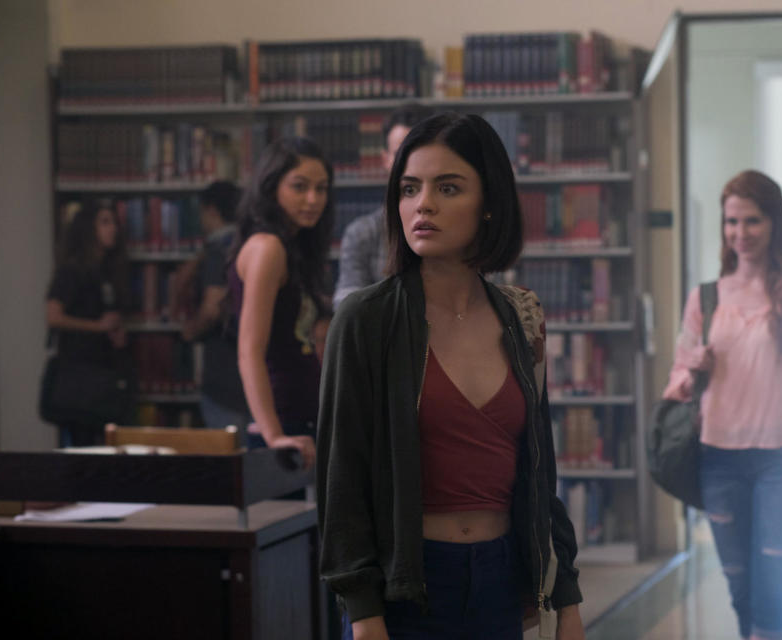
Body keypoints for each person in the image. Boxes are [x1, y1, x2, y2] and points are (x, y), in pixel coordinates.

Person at [316, 113, 585, 640]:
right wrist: (363, 613)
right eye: (410, 188)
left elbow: (539, 470)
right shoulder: (366, 319)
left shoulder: (523, 315)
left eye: (448, 187)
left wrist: (566, 597)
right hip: (408, 585)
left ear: (489, 204)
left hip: (500, 578)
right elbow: (340, 479)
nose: (424, 205)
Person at [662, 169, 782, 640]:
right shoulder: (704, 299)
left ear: (775, 224)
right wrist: (691, 369)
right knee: (740, 589)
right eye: (732, 222)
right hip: (717, 461)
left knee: (772, 594)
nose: (740, 233)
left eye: (752, 221)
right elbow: (676, 385)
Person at [228, 137, 335, 468]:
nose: (313, 199)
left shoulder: (294, 248)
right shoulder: (267, 247)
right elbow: (250, 350)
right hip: (282, 426)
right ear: (272, 186)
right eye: (300, 187)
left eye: (322, 188)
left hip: (303, 421)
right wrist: (275, 436)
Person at [332, 102, 434, 310]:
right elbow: (347, 307)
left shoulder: (456, 227)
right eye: (401, 154)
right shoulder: (361, 234)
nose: (411, 164)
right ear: (385, 160)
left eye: (419, 152)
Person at [45, 200, 129, 447]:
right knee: (82, 451)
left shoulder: (106, 271)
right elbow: (53, 316)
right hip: (78, 379)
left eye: (114, 222)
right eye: (105, 222)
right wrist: (98, 327)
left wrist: (115, 332)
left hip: (103, 376)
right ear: (87, 229)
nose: (112, 228)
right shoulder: (71, 271)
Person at [176, 180, 251, 435]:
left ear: (210, 210)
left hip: (224, 381)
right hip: (253, 375)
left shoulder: (219, 251)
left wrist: (190, 331)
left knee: (231, 464)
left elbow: (212, 308)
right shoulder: (253, 245)